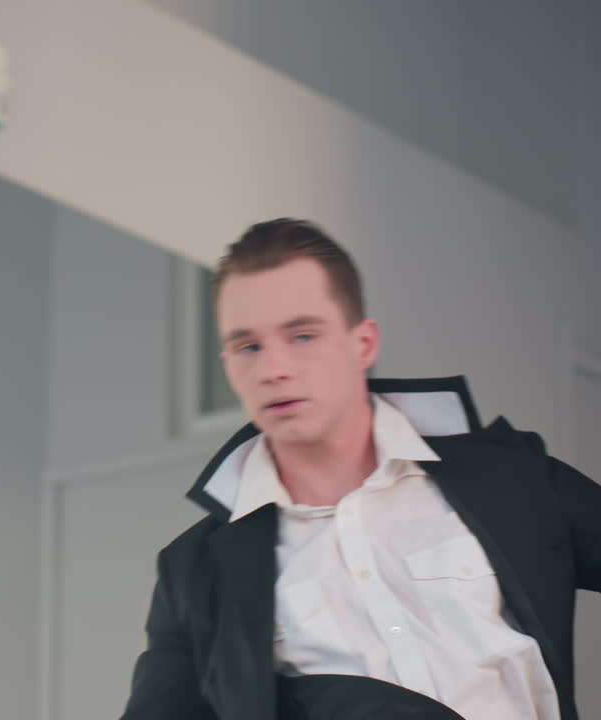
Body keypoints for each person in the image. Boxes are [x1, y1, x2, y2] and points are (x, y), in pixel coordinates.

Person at [120, 219, 600, 720]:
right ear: (228, 365)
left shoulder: (510, 475)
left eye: (302, 335)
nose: (273, 369)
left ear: (363, 344)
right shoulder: (194, 573)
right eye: (249, 347)